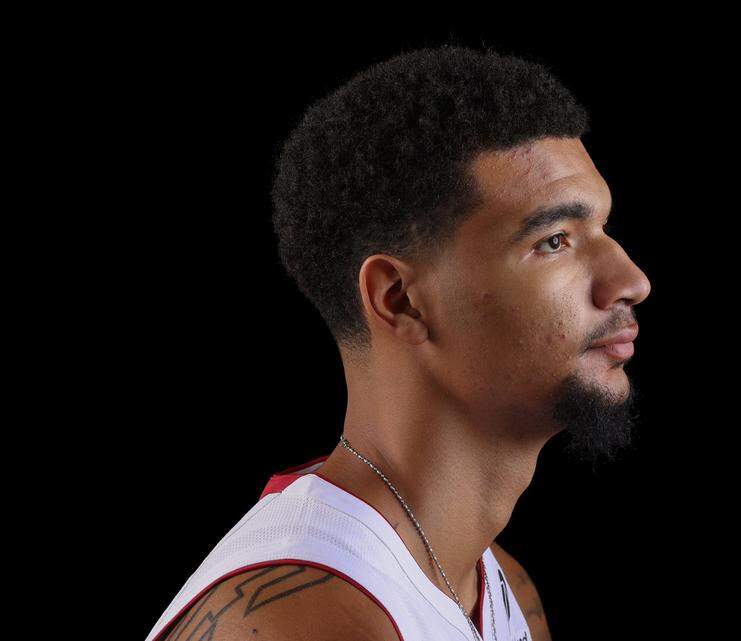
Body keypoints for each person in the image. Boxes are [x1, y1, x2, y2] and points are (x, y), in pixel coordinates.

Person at [145, 44, 651, 641]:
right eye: (554, 240)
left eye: (603, 227)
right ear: (400, 300)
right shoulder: (302, 622)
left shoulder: (501, 591)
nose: (631, 281)